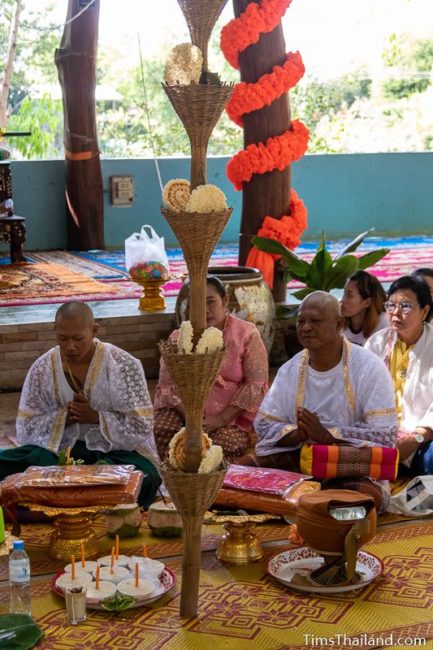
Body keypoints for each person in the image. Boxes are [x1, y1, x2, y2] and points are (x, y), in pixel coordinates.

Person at [0, 301, 161, 508]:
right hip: (58, 451)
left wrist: (95, 417)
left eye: (78, 339)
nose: (70, 347)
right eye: (63, 338)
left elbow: (142, 424)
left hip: (113, 454)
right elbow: (26, 427)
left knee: (144, 478)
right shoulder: (42, 367)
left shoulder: (123, 364)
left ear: (94, 330)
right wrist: (63, 418)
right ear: (55, 331)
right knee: (8, 464)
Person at [253, 291, 398, 507]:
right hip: (303, 456)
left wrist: (329, 436)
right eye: (301, 321)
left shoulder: (369, 367)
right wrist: (297, 434)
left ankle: (311, 505)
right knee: (245, 470)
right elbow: (263, 425)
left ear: (339, 324)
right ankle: (311, 502)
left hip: (348, 464)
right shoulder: (290, 369)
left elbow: (386, 436)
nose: (306, 327)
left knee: (363, 498)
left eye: (315, 321)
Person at [154, 276, 269, 461]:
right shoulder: (178, 338)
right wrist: (192, 419)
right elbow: (166, 386)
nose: (204, 310)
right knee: (159, 430)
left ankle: (214, 487)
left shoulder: (246, 334)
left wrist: (220, 419)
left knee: (221, 447)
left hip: (229, 418)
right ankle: (173, 484)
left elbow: (255, 385)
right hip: (184, 414)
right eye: (196, 304)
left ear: (225, 300)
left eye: (210, 301)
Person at [365, 275, 433, 475]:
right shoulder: (376, 344)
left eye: (405, 306)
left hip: (422, 438)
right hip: (379, 435)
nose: (396, 313)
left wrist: (415, 438)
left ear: (425, 310)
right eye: (391, 305)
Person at [341, 270, 388, 345]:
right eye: (344, 293)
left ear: (367, 302)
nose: (343, 300)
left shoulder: (383, 322)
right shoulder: (338, 320)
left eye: (350, 295)